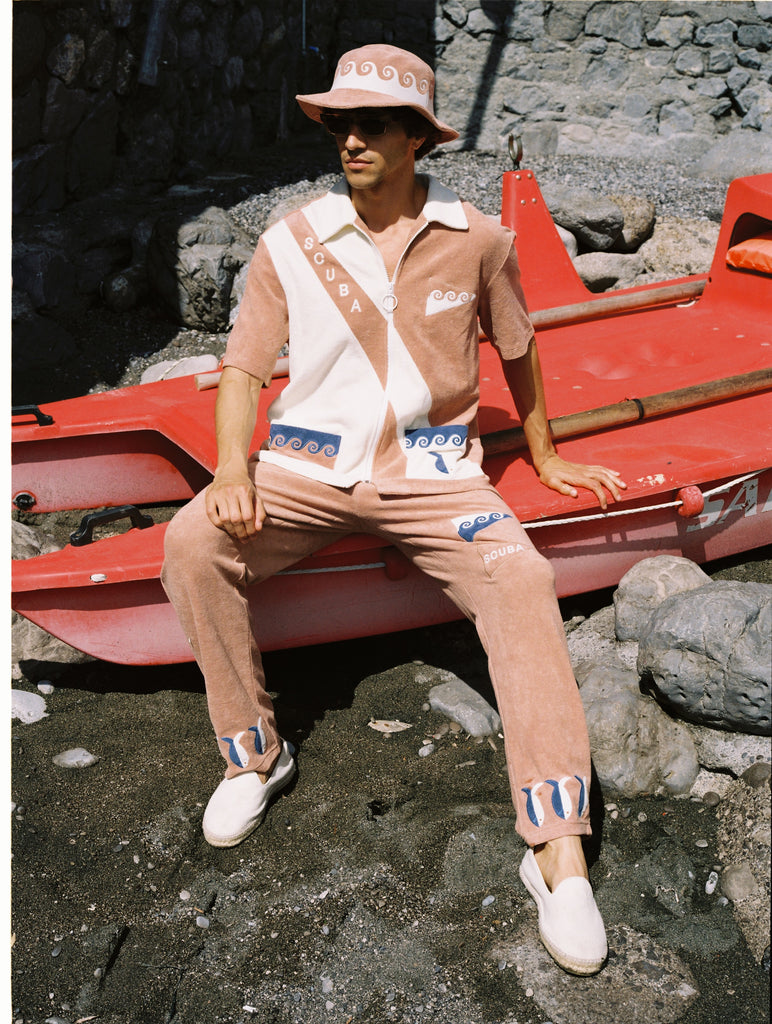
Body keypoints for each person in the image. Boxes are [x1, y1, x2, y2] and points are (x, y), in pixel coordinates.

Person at [161, 44, 625, 976]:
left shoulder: (478, 238)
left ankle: (558, 852)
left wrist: (546, 454)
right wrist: (229, 470)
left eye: (375, 124)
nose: (353, 141)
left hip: (436, 476)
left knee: (522, 577)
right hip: (305, 468)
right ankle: (254, 755)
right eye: (342, 125)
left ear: (418, 138)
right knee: (190, 542)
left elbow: (520, 350)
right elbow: (245, 367)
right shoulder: (290, 239)